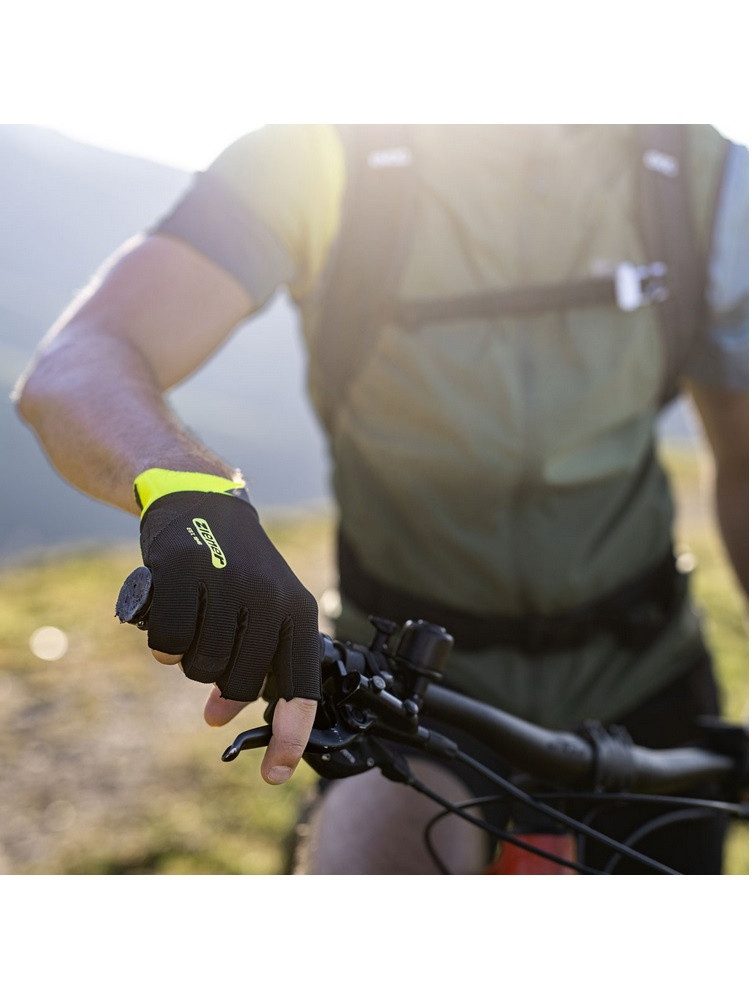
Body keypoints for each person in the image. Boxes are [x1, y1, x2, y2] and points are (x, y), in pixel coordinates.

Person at [14, 124, 747, 874]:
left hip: (646, 680)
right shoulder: (319, 152)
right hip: (399, 691)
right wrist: (188, 490)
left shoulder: (701, 176)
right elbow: (78, 362)